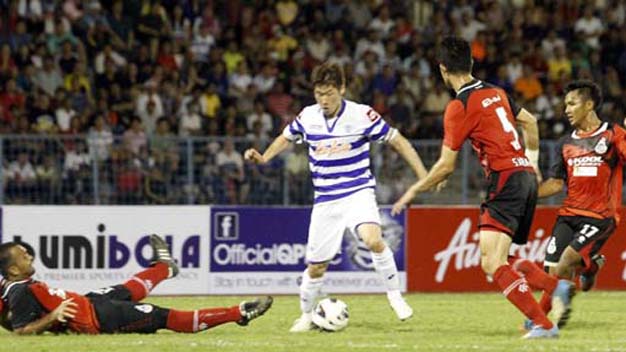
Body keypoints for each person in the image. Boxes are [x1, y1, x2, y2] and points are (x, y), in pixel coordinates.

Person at [391, 36, 572, 339]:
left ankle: (544, 325)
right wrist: (533, 162)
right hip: (524, 177)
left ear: (442, 69)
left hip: (505, 179)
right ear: (471, 63)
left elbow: (446, 165)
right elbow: (530, 122)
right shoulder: (495, 91)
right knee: (498, 258)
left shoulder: (459, 106)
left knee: (492, 262)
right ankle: (556, 287)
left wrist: (413, 190)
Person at [244, 62, 429, 332]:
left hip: (358, 192)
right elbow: (286, 137)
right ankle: (306, 315)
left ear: (342, 89)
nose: (324, 100)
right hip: (326, 200)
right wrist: (263, 157)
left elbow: (397, 139)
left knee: (373, 239)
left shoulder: (362, 115)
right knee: (316, 268)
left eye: (329, 93)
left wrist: (423, 173)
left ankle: (394, 295)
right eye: (319, 93)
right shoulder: (308, 117)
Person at [0, 235, 272, 334]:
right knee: (164, 316)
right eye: (24, 256)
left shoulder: (10, 286)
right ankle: (240, 313)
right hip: (98, 318)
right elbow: (21, 330)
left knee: (126, 289)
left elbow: (8, 317)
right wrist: (53, 318)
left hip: (88, 302)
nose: (30, 256)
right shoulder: (20, 289)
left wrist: (52, 319)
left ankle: (165, 268)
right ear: (13, 269)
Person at [532, 80, 626, 328]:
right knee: (553, 273)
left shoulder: (613, 134)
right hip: (568, 214)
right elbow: (555, 183)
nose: (566, 109)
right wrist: (527, 194)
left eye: (572, 103)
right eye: (566, 104)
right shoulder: (566, 143)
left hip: (600, 216)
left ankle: (543, 322)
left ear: (589, 104)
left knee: (565, 263)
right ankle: (591, 266)